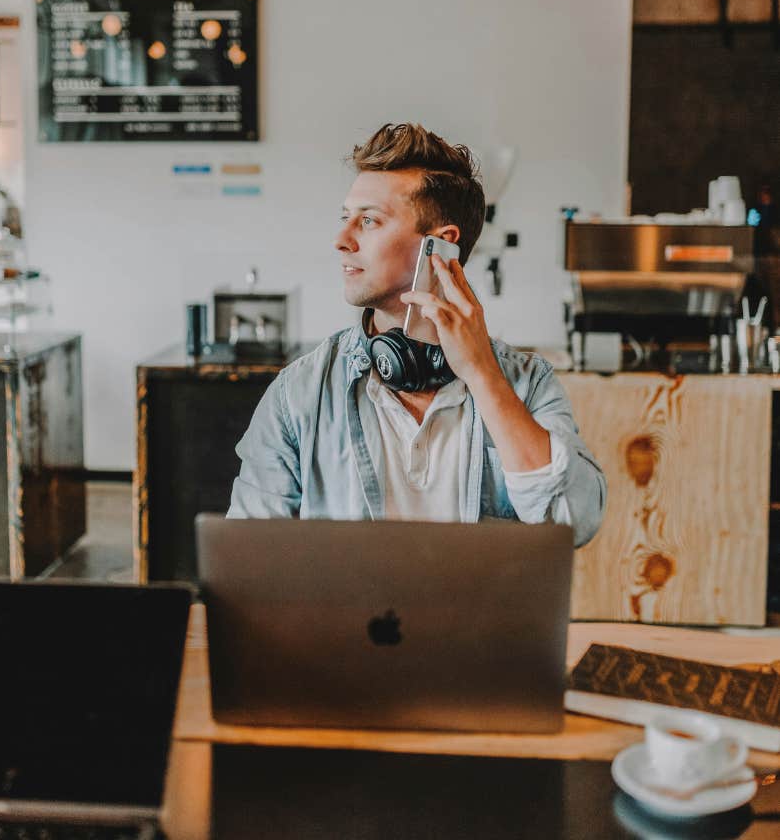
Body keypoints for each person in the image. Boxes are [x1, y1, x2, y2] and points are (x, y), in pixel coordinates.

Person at [228, 123, 605, 545]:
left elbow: (575, 523)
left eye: (368, 221)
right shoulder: (300, 393)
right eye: (345, 218)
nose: (341, 240)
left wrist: (482, 375)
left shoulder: (527, 384)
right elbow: (249, 551)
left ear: (441, 246)